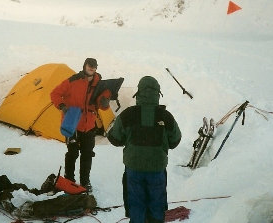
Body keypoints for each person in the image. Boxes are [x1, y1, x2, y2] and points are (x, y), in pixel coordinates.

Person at [107, 76, 181, 223]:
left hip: (134, 168)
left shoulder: (127, 114)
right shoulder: (166, 116)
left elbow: (115, 139)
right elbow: (175, 140)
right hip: (157, 168)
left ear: (139, 93)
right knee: (157, 202)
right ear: (157, 93)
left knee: (136, 202)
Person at [50, 57, 111, 192]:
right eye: (90, 66)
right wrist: (62, 106)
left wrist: (105, 104)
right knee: (72, 153)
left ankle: (85, 181)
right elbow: (54, 93)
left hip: (89, 124)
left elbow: (103, 104)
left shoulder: (100, 84)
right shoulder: (73, 80)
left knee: (87, 154)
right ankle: (69, 180)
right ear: (84, 66)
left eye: (94, 67)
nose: (92, 68)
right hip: (72, 123)